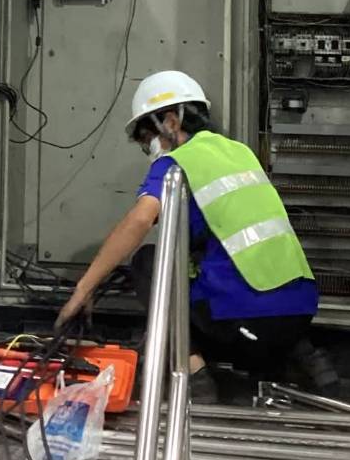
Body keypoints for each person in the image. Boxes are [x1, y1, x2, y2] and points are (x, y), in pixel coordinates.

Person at [55, 70, 319, 402]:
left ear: (170, 121)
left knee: (149, 262)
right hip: (300, 314)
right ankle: (309, 359)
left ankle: (195, 374)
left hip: (247, 322)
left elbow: (139, 221)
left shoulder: (175, 164)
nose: (148, 148)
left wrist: (84, 288)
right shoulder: (239, 152)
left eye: (146, 138)